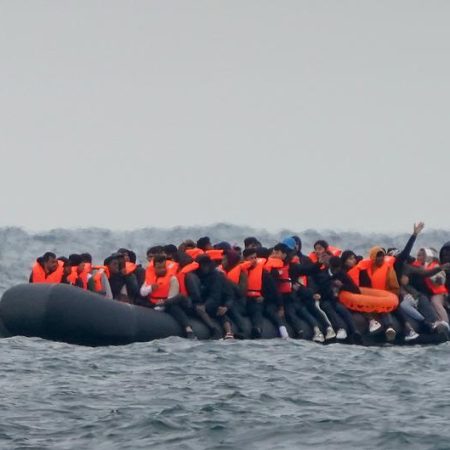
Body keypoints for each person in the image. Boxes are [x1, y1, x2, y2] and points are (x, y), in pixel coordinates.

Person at [271, 240, 326, 342]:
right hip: (276, 300)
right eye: (273, 252)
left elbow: (307, 270)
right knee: (290, 312)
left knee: (296, 311)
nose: (274, 255)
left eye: (277, 253)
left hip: (289, 298)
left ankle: (311, 331)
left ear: (284, 254)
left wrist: (318, 264)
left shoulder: (292, 267)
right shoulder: (270, 267)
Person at [139, 255, 196, 338]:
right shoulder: (150, 278)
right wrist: (150, 288)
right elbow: (142, 292)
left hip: (168, 303)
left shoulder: (172, 279)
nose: (162, 270)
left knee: (174, 308)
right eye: (159, 268)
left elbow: (172, 297)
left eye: (163, 267)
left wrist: (162, 305)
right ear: (154, 268)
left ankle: (188, 328)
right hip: (152, 303)